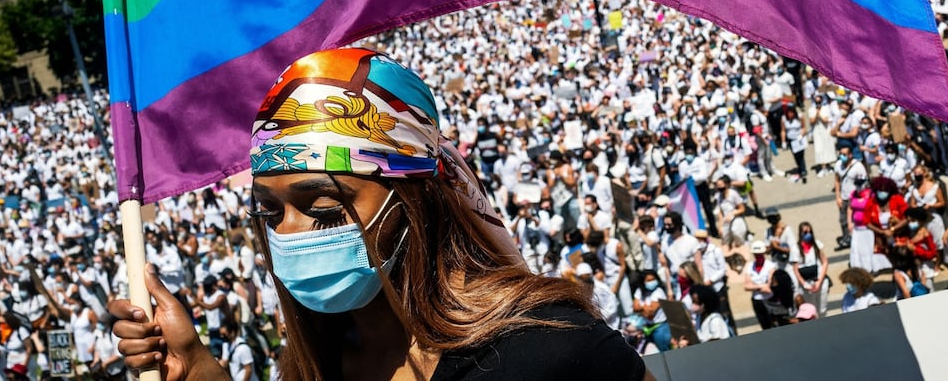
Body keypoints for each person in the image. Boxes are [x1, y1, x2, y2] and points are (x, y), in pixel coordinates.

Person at [110, 48, 648, 380]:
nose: (289, 234)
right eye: (269, 212)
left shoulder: (549, 351)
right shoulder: (317, 365)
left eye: (322, 209)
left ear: (411, 202)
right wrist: (201, 371)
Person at [790, 221, 830, 317]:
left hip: (818, 281)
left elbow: (824, 262)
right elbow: (795, 269)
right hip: (806, 284)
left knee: (822, 309)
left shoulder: (816, 245)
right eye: (805, 232)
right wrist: (804, 284)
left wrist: (819, 281)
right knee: (811, 309)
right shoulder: (795, 249)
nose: (808, 235)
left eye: (809, 232)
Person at [632, 270, 672, 353]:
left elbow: (650, 314)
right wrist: (645, 308)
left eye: (653, 279)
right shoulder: (640, 291)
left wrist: (641, 308)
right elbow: (635, 308)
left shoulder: (659, 292)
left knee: (665, 352)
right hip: (647, 327)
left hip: (660, 328)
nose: (652, 282)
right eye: (648, 280)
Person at [743, 240, 777, 330]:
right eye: (756, 254)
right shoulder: (750, 266)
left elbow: (769, 286)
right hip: (757, 301)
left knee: (773, 323)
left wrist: (754, 286)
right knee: (764, 325)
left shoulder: (770, 265)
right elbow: (746, 286)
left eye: (759, 254)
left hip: (770, 299)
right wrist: (761, 286)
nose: (757, 256)